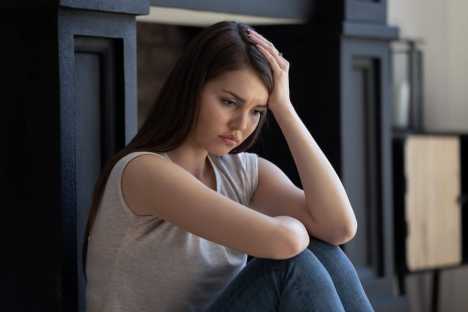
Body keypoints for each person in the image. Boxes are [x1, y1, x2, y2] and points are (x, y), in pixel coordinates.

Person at [83, 21, 374, 312]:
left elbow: (339, 227)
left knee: (322, 248)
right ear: (192, 88)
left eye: (257, 111)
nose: (241, 126)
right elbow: (285, 242)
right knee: (292, 263)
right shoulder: (143, 171)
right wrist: (295, 230)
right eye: (229, 102)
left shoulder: (242, 172)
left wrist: (284, 107)